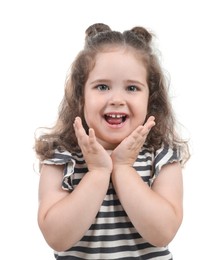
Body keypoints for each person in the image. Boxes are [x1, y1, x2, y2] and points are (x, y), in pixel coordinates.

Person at [34, 23, 190, 260]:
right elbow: (57, 237)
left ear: (151, 99)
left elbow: (163, 233)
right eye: (102, 87)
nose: (117, 99)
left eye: (132, 88)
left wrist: (123, 167)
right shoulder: (62, 158)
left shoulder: (162, 156)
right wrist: (97, 172)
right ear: (80, 97)